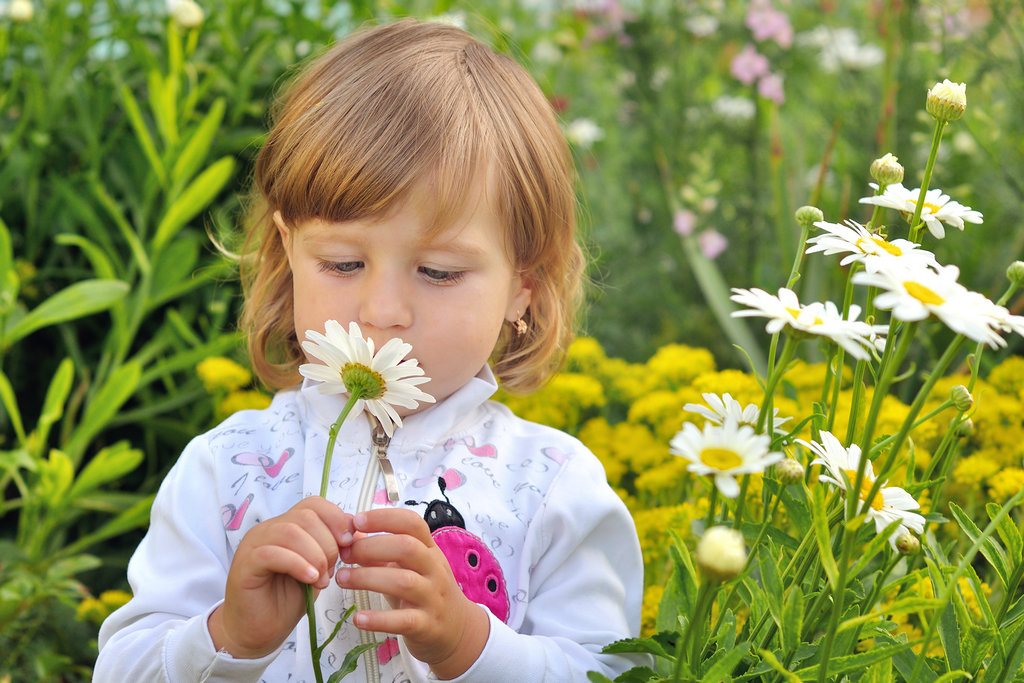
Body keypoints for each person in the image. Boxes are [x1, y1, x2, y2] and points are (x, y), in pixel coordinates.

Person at [96, 18, 644, 683]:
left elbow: (608, 668)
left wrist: (471, 645)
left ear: (521, 288)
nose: (383, 310)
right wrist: (228, 636)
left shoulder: (553, 488)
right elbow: (122, 667)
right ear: (287, 252)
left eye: (439, 272)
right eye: (343, 262)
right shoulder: (228, 471)